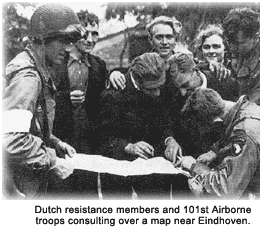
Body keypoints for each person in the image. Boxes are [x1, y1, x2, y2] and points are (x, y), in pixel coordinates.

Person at [2, 3, 84, 199]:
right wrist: (52, 159)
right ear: (42, 39)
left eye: (71, 42)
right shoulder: (27, 77)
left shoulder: (38, 68)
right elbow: (11, 138)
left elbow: (31, 126)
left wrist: (55, 142)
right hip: (18, 185)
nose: (68, 49)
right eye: (63, 40)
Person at [94, 52, 175, 199]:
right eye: (151, 89)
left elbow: (165, 122)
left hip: (153, 170)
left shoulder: (161, 83)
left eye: (160, 87)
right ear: (137, 80)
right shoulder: (112, 96)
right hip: (117, 171)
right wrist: (128, 146)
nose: (157, 93)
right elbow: (101, 139)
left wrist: (169, 140)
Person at [178, 88, 260, 199]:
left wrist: (194, 166)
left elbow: (226, 189)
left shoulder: (246, 133)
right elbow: (234, 128)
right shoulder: (247, 108)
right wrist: (215, 150)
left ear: (215, 121)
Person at [52, 11, 109, 155]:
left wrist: (115, 74)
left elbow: (103, 102)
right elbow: (42, 98)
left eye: (94, 34)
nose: (90, 39)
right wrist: (65, 98)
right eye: (85, 34)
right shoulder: (54, 63)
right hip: (59, 138)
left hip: (89, 140)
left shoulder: (99, 66)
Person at [222, 7, 260, 117]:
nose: (233, 48)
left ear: (254, 37)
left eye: (239, 43)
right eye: (229, 42)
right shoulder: (236, 54)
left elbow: (252, 111)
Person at [109, 16, 183, 90]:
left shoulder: (183, 65)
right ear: (150, 40)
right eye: (159, 37)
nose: (164, 42)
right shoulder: (143, 63)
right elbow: (129, 73)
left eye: (169, 37)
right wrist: (114, 73)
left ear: (175, 40)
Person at [193, 24, 239, 101]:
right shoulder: (198, 69)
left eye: (216, 46)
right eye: (206, 47)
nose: (211, 51)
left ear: (225, 48)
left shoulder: (235, 68)